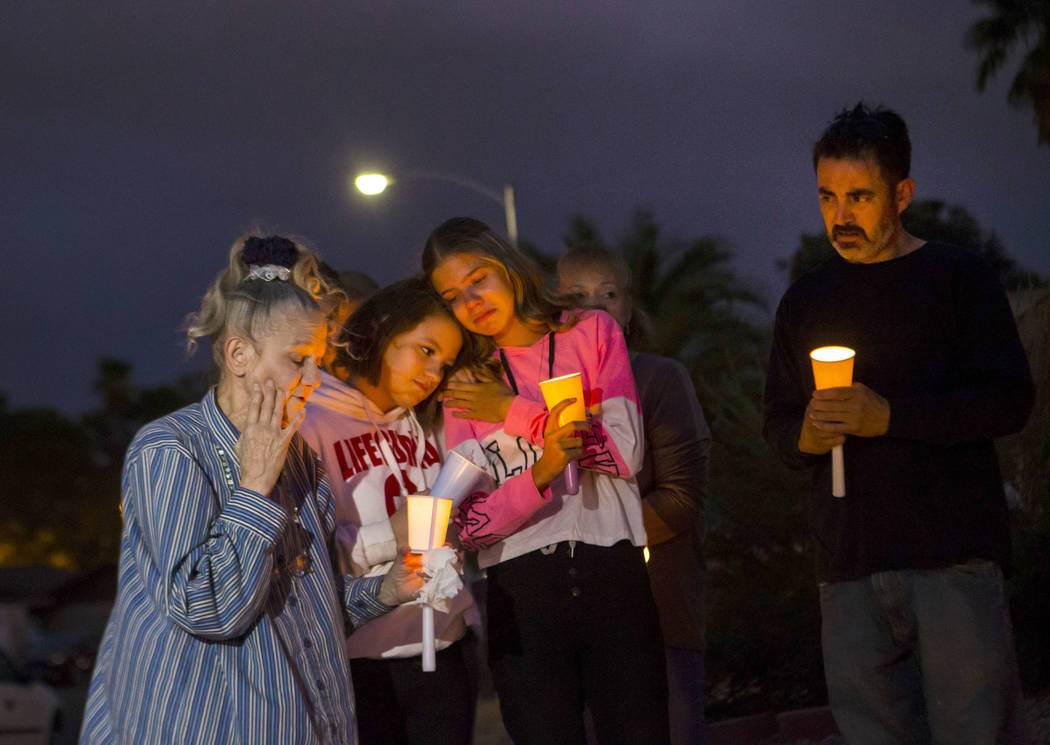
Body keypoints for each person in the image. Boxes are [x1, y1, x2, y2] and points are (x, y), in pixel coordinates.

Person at [80, 234, 423, 745]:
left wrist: (384, 591)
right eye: (296, 359)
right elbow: (209, 607)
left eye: (319, 360)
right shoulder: (170, 451)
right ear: (239, 353)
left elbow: (305, 607)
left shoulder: (302, 458)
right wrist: (255, 489)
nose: (313, 379)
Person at [763, 103, 1034, 744]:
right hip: (848, 568)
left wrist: (889, 417)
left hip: (952, 562)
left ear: (902, 194)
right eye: (828, 196)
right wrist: (806, 434)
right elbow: (776, 423)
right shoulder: (805, 300)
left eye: (860, 196)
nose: (841, 215)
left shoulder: (957, 278)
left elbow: (1008, 400)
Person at [424, 216, 670, 745]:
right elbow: (471, 527)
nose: (471, 302)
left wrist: (516, 411)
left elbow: (625, 453)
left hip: (613, 574)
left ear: (507, 265)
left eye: (478, 279)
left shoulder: (590, 330)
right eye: (452, 296)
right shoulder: (466, 383)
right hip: (521, 594)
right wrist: (540, 473)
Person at [299, 277, 480, 745]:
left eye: (444, 363)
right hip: (361, 663)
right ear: (381, 329)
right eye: (425, 350)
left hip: (441, 651)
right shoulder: (310, 421)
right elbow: (300, 558)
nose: (433, 373)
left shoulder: (422, 426)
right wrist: (391, 533)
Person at [558, 242, 710, 745]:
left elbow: (681, 499)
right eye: (578, 295)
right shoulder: (538, 393)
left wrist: (600, 547)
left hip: (658, 610)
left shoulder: (659, 379)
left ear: (628, 307)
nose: (595, 307)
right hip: (574, 622)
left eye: (609, 293)